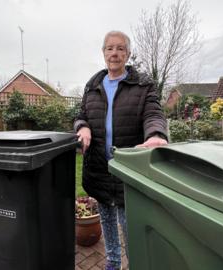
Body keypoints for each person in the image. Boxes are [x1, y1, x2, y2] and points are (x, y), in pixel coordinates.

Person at [74, 30, 168, 270]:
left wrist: (156, 134)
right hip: (99, 169)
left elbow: (154, 114)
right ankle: (113, 263)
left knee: (131, 227)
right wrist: (82, 127)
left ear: (128, 53)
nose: (114, 54)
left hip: (128, 171)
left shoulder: (143, 85)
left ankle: (137, 263)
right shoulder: (93, 85)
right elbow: (80, 115)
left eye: (120, 49)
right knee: (106, 221)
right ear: (103, 52)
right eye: (109, 48)